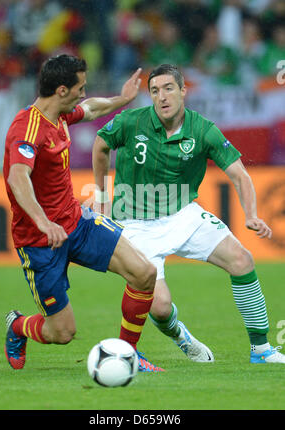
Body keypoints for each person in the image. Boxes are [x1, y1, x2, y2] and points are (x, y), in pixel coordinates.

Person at [92, 63, 285, 364]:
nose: (162, 97)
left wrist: (251, 214)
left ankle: (261, 349)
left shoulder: (203, 129)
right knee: (160, 308)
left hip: (184, 215)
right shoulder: (132, 121)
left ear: (183, 91)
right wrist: (102, 196)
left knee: (242, 259)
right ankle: (179, 335)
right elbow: (101, 145)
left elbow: (239, 175)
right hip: (134, 225)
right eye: (154, 91)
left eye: (168, 88)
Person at [3, 54, 163, 373]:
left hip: (76, 223)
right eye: (80, 87)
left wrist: (123, 98)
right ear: (62, 90)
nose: (83, 93)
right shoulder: (27, 129)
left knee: (145, 273)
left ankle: (128, 355)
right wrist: (44, 222)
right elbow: (17, 178)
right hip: (39, 241)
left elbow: (92, 109)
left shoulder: (61, 114)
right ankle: (17, 326)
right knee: (62, 333)